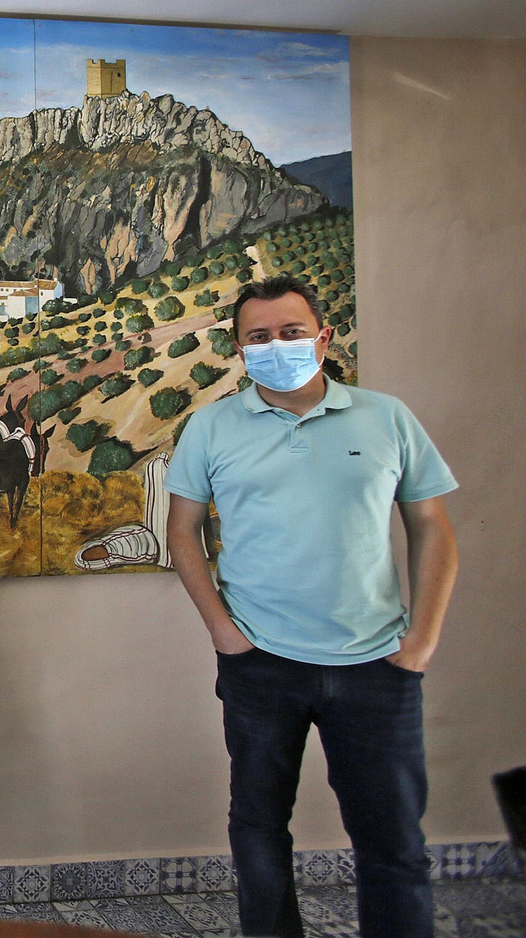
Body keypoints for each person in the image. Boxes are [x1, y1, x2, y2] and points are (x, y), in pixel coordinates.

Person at [164, 276, 459, 938]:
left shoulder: (387, 418)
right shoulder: (211, 427)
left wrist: (421, 643)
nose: (276, 346)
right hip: (260, 665)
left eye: (291, 332)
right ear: (238, 350)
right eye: (258, 337)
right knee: (259, 829)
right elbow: (181, 532)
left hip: (378, 666)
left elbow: (433, 527)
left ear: (322, 337)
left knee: (394, 843)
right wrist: (224, 634)